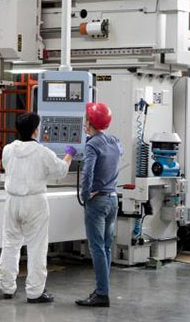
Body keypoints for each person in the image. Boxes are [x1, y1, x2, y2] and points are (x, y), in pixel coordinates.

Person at [0, 112, 76, 304]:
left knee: (10, 244)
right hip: (35, 202)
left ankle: (7, 287)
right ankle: (34, 292)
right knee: (37, 247)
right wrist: (69, 155)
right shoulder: (42, 152)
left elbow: (6, 166)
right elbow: (60, 170)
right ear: (35, 131)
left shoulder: (8, 149)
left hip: (12, 201)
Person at [75, 102, 122, 308]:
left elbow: (88, 172)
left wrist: (86, 195)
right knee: (106, 247)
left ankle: (102, 294)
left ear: (90, 122)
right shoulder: (115, 141)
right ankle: (102, 289)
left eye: (86, 119)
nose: (84, 123)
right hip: (113, 199)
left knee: (97, 248)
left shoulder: (92, 144)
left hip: (98, 201)